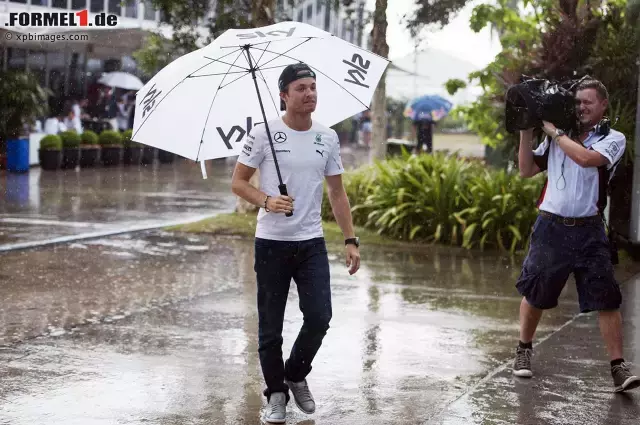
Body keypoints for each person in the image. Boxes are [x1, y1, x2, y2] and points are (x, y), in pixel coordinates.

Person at [231, 62, 362, 423]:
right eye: (301, 88)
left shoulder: (327, 137)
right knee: (270, 326)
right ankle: (275, 392)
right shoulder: (263, 134)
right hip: (271, 242)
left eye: (313, 87)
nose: (310, 94)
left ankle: (295, 373)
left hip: (311, 243)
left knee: (320, 316)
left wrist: (350, 239)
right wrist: (267, 201)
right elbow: (238, 182)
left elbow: (337, 192)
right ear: (284, 95)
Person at [514, 78, 639, 393]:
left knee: (606, 297)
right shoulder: (559, 137)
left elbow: (585, 159)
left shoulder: (612, 138)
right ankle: (523, 350)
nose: (581, 107)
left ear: (602, 105)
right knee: (536, 291)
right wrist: (526, 131)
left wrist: (554, 132)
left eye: (588, 102)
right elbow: (526, 170)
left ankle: (618, 368)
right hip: (550, 226)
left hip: (589, 229)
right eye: (578, 102)